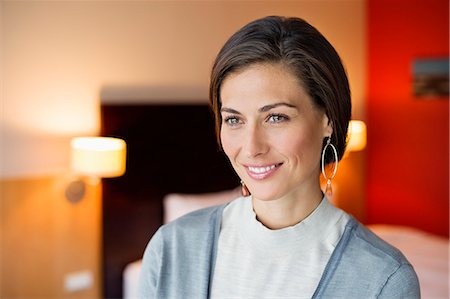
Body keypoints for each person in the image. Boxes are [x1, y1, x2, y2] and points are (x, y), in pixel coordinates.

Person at [139, 16, 420, 298]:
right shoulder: (171, 249)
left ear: (328, 120)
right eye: (234, 120)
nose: (251, 148)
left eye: (276, 117)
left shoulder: (383, 278)